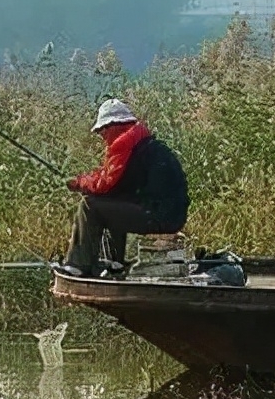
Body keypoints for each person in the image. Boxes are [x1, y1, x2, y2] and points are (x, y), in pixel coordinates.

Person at [55, 99, 189, 278]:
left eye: (103, 129)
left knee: (90, 205)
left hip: (159, 215)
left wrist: (79, 183)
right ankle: (116, 263)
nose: (102, 135)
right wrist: (84, 181)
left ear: (115, 125)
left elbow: (105, 183)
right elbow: (113, 181)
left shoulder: (123, 142)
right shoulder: (140, 142)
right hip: (169, 214)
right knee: (113, 201)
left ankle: (77, 265)